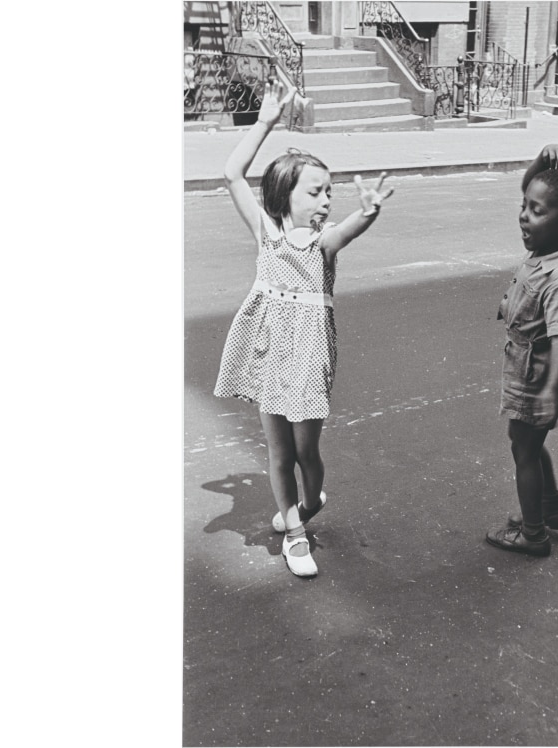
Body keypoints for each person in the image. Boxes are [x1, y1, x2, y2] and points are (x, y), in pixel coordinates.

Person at [213, 80, 394, 577]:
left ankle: (309, 503)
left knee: (306, 451)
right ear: (282, 196)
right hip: (271, 352)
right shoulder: (267, 235)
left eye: (329, 192)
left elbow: (346, 230)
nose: (325, 201)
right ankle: (296, 534)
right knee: (277, 451)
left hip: (309, 356)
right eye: (315, 192)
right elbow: (232, 173)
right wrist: (265, 121)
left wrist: (368, 211)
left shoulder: (322, 246)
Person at [486, 144, 558, 557]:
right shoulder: (550, 244)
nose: (524, 216)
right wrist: (541, 165)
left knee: (524, 450)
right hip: (527, 366)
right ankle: (550, 506)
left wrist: (549, 389)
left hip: (537, 373)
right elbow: (531, 186)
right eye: (525, 206)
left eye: (536, 211)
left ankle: (533, 533)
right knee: (525, 441)